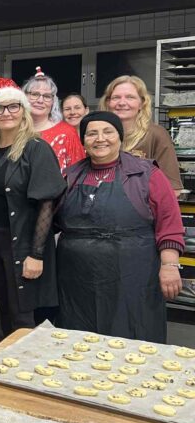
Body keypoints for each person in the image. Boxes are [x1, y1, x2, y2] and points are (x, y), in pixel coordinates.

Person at [56, 111, 183, 343]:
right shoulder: (71, 176)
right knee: (79, 341)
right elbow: (50, 219)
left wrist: (169, 265)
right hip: (77, 278)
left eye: (108, 132)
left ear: (120, 137)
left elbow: (170, 224)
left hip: (133, 274)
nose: (100, 139)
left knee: (132, 337)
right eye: (92, 133)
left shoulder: (146, 174)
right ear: (83, 140)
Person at [0, 85, 66, 336]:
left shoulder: (36, 148)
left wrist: (36, 253)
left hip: (23, 241)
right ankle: (10, 362)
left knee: (24, 314)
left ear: (23, 111)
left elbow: (47, 203)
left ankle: (28, 369)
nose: (6, 113)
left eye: (13, 106)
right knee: (6, 309)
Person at [99, 75, 183, 193]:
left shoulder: (156, 135)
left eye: (130, 97)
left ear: (142, 103)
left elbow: (172, 190)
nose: (122, 102)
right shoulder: (98, 136)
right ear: (108, 102)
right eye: (116, 97)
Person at [22, 66, 85, 175]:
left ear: (53, 102)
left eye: (47, 96)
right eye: (35, 94)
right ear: (24, 97)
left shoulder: (67, 133)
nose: (40, 100)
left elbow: (79, 175)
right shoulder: (13, 130)